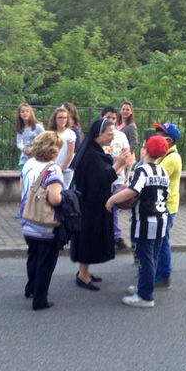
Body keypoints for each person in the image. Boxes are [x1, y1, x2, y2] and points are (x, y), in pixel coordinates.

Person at [105, 135, 170, 308]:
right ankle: (144, 287)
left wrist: (112, 200)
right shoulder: (163, 171)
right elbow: (166, 195)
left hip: (145, 222)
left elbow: (133, 191)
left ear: (146, 150)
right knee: (152, 258)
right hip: (161, 220)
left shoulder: (143, 170)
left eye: (143, 147)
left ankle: (145, 296)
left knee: (144, 258)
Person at [70, 118, 129, 290]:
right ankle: (82, 274)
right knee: (88, 239)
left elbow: (104, 176)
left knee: (90, 239)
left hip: (94, 203)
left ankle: (85, 271)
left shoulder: (95, 151)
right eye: (109, 134)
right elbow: (101, 180)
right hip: (90, 206)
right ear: (98, 134)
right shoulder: (91, 155)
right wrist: (118, 165)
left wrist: (118, 166)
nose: (112, 138)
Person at [20, 131, 65, 310]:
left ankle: (30, 287)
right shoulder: (52, 169)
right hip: (44, 222)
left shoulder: (29, 164)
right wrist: (66, 198)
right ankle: (40, 299)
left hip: (27, 218)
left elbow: (22, 188)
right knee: (46, 260)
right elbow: (54, 199)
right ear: (54, 150)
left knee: (33, 255)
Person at [152, 121, 182, 290]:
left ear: (168, 140)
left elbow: (153, 175)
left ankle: (164, 276)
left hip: (167, 207)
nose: (156, 134)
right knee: (159, 241)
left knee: (162, 241)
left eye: (159, 132)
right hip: (162, 205)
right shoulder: (165, 155)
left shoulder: (172, 159)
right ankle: (158, 272)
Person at [101, 106, 131, 250]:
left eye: (113, 118)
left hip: (117, 177)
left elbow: (127, 156)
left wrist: (121, 171)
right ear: (102, 118)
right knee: (103, 206)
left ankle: (116, 236)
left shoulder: (121, 136)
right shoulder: (98, 135)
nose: (111, 120)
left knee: (114, 208)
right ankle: (105, 235)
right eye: (108, 118)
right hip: (103, 177)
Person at [48, 107, 76, 188]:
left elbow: (70, 154)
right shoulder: (51, 133)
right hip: (52, 168)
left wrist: (60, 169)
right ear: (55, 119)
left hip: (66, 169)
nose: (62, 120)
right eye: (60, 117)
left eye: (65, 117)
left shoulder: (70, 134)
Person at [16, 103, 45, 171]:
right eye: (22, 111)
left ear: (30, 113)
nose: (24, 113)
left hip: (36, 156)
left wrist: (32, 148)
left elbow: (45, 139)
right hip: (25, 157)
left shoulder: (37, 126)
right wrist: (23, 148)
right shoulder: (20, 128)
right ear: (20, 114)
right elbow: (19, 142)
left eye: (27, 111)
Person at [117, 100, 139, 167]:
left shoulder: (131, 126)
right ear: (120, 111)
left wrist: (127, 154)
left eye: (127, 110)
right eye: (123, 109)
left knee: (125, 177)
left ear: (131, 112)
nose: (125, 111)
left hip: (127, 159)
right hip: (117, 156)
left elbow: (134, 143)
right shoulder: (117, 124)